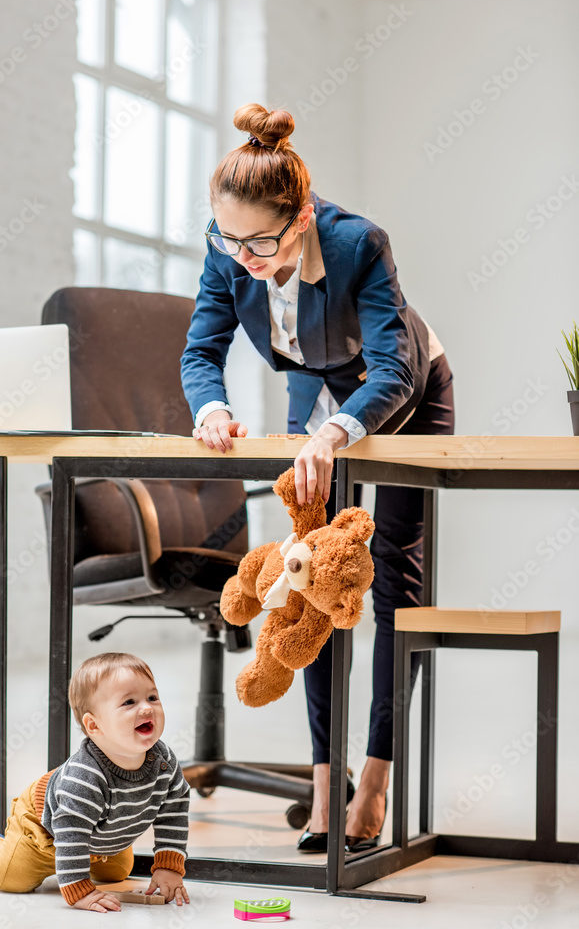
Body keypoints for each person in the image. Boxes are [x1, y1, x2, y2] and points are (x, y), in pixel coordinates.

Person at [181, 103, 455, 853]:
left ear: (301, 216)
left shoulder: (357, 241)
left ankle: (374, 777)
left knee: (391, 578)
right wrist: (209, 407)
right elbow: (201, 350)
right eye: (228, 240)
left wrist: (335, 434)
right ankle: (323, 781)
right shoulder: (229, 249)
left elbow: (395, 364)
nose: (244, 257)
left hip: (402, 388)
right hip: (316, 380)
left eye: (260, 240)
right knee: (311, 579)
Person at [0, 653, 191, 911]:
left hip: (98, 837)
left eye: (152, 698)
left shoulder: (164, 760)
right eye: (129, 702)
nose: (146, 708)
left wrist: (169, 867)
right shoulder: (86, 778)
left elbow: (174, 809)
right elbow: (71, 834)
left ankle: (88, 855)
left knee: (118, 872)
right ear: (94, 725)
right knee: (12, 877)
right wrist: (79, 891)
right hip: (45, 829)